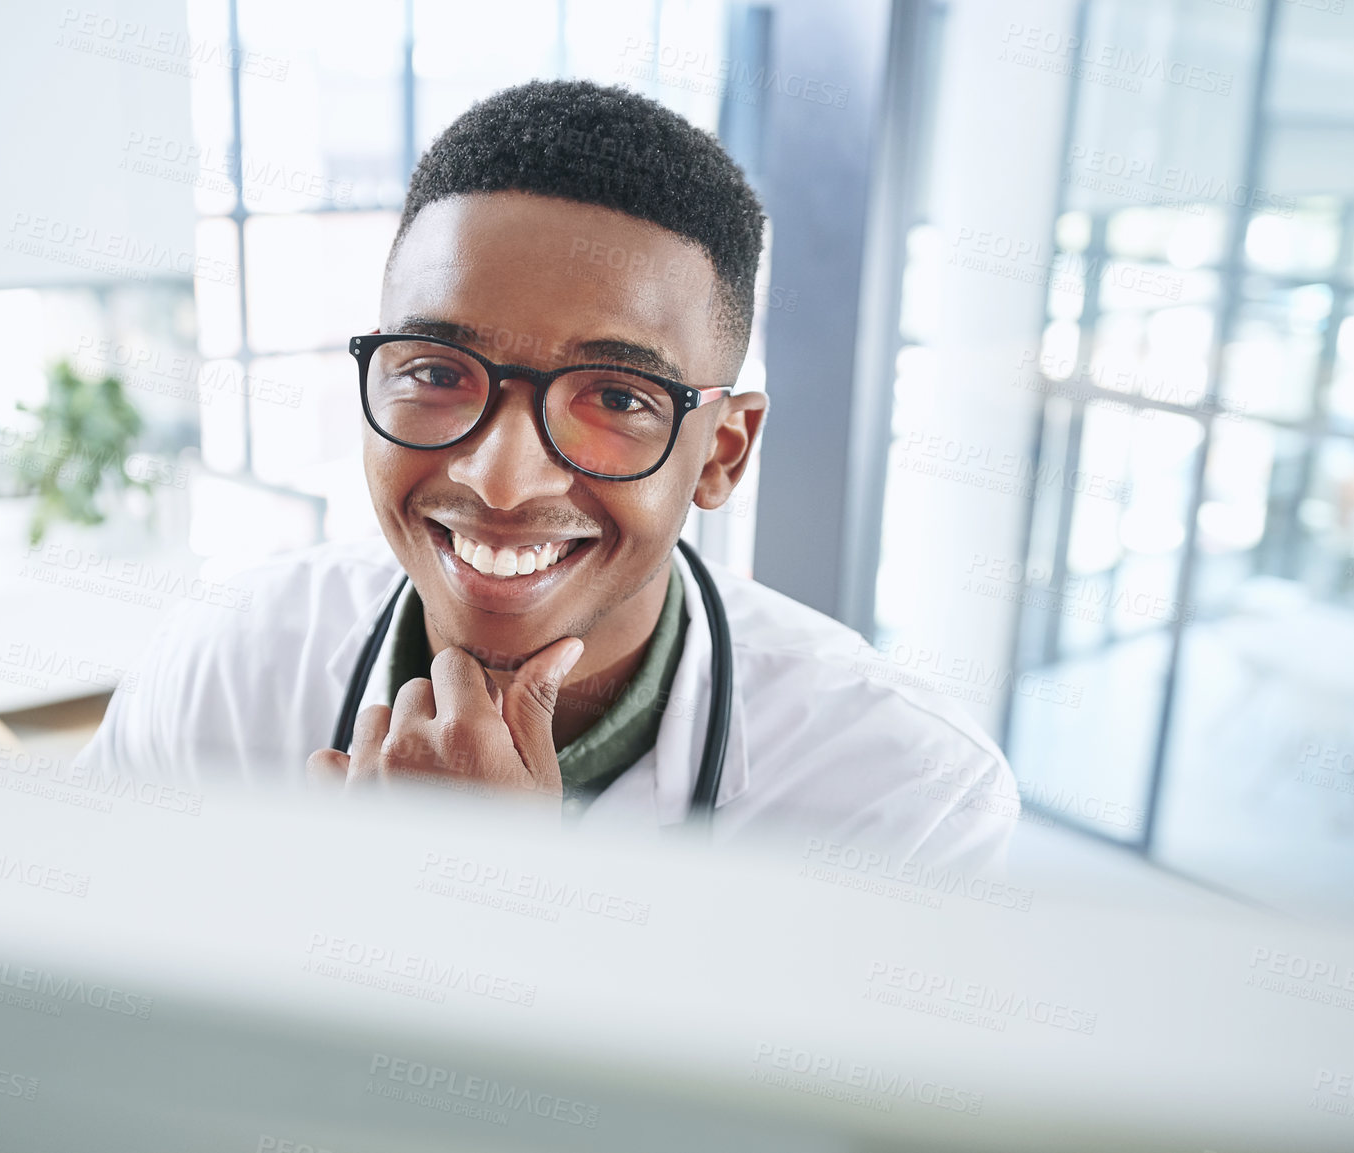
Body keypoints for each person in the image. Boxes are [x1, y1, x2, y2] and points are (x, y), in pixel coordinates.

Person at [78, 79, 1020, 871]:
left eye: (616, 397)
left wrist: (500, 908)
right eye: (438, 373)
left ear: (723, 452)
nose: (501, 480)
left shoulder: (908, 796)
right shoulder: (222, 666)